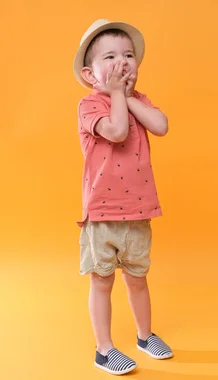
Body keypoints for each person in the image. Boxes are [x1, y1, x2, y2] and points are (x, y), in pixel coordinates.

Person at [73, 19, 172, 375]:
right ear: (90, 73)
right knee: (102, 280)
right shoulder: (90, 104)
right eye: (111, 56)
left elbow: (160, 126)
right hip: (101, 213)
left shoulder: (136, 100)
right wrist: (117, 95)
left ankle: (145, 336)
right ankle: (104, 349)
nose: (123, 62)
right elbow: (115, 132)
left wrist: (128, 97)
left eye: (128, 55)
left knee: (137, 277)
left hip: (138, 210)